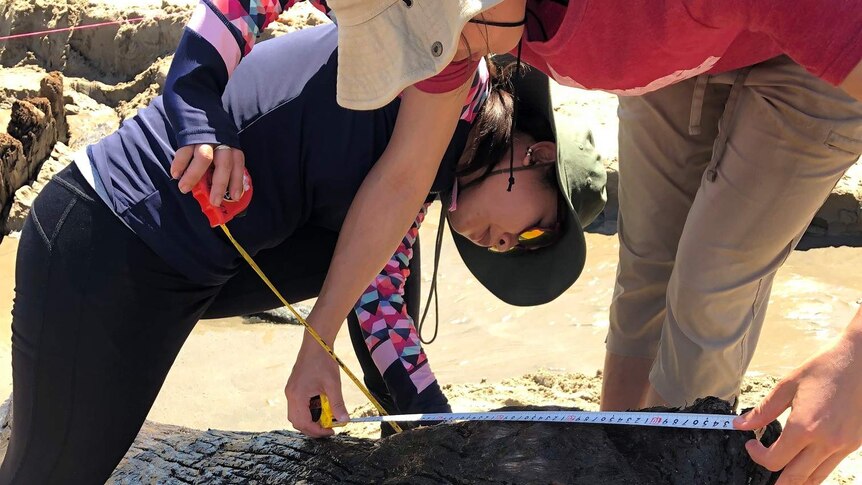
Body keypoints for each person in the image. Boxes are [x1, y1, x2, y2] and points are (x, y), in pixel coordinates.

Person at [163, 1, 862, 483]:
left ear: (537, 153)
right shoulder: (449, 27)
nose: (445, 60)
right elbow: (403, 180)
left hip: (813, 52)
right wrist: (317, 339)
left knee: (710, 283)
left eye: (535, 234)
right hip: (694, 46)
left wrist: (858, 361)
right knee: (648, 276)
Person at [0, 24, 605, 483]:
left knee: (367, 264)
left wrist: (447, 440)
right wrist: (193, 84)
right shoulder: (427, 64)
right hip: (104, 238)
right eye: (534, 231)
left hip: (180, 279)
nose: (510, 247)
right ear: (535, 155)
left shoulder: (420, 178)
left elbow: (383, 314)